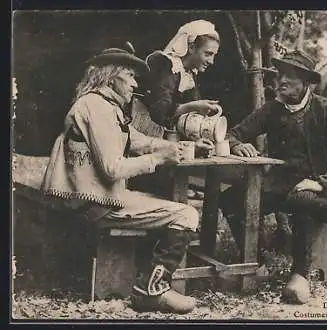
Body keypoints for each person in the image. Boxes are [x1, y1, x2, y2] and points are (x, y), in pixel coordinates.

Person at [41, 45, 213, 314]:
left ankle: (147, 284)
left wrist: (170, 147)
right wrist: (159, 159)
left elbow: (136, 140)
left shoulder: (104, 106)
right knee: (186, 215)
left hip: (97, 198)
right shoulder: (96, 108)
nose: (135, 83)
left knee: (167, 205)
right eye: (130, 77)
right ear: (111, 77)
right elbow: (112, 169)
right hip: (96, 203)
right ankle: (151, 292)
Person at [219, 50, 327, 304]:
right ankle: (257, 265)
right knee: (231, 199)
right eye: (280, 76)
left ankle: (300, 276)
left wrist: (322, 182)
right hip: (280, 187)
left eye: (290, 77)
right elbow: (234, 133)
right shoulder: (272, 109)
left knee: (302, 200)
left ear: (306, 83)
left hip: (323, 193)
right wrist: (236, 144)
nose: (281, 82)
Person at [144, 19, 222, 133]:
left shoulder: (189, 74)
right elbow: (159, 113)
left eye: (214, 55)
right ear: (191, 48)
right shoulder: (168, 66)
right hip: (147, 131)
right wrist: (193, 106)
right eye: (208, 54)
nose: (212, 62)